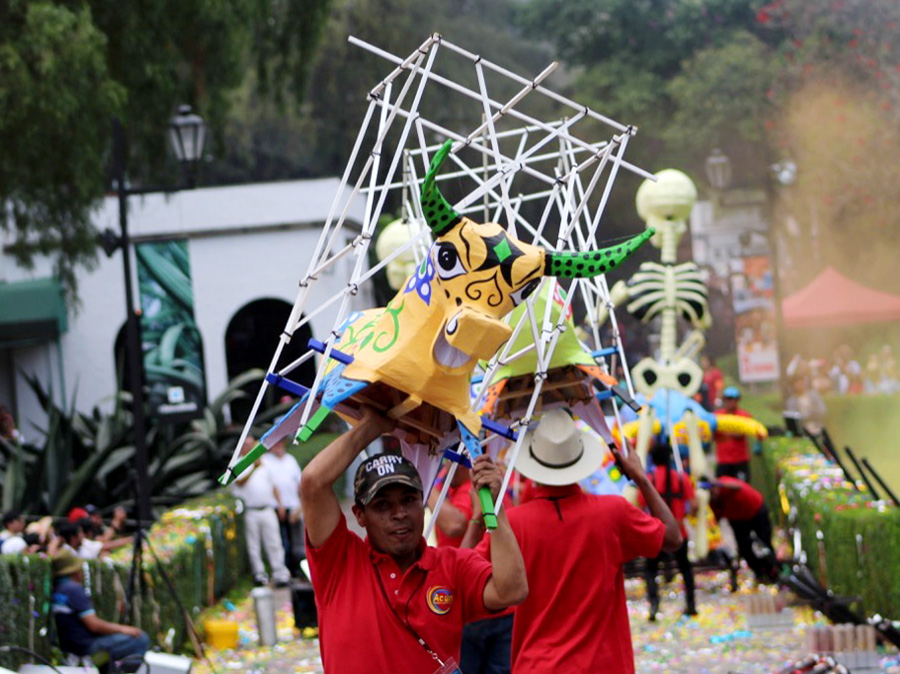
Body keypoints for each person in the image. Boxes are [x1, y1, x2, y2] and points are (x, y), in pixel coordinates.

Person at [300, 406, 528, 674]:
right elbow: (313, 482)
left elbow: (512, 591)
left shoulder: (453, 565)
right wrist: (372, 425)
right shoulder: (339, 562)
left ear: (423, 504)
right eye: (383, 505)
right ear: (360, 515)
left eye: (409, 500)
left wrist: (496, 509)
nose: (399, 514)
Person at [474, 409, 682, 674]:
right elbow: (672, 538)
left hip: (537, 666)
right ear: (581, 458)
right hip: (605, 665)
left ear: (533, 464)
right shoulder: (613, 513)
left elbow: (469, 575)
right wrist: (641, 478)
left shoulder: (513, 524)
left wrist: (478, 515)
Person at [431, 465, 515, 674]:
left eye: (448, 460)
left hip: (474, 604)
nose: (444, 465)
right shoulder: (463, 486)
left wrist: (427, 486)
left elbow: (454, 525)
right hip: (498, 607)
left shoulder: (474, 491)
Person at [50, 549, 150, 661]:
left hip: (69, 646)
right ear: (75, 571)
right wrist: (124, 629)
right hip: (86, 647)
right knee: (141, 638)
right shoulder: (73, 589)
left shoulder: (58, 588)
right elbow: (94, 626)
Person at [640, 442, 697, 621]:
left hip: (655, 533)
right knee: (685, 568)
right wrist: (683, 516)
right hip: (679, 532)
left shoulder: (649, 479)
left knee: (650, 570)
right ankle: (691, 605)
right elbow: (694, 505)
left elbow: (642, 505)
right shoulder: (681, 478)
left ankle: (654, 605)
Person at [231, 436, 291, 587]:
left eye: (252, 444)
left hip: (267, 507)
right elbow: (239, 483)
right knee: (254, 545)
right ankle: (259, 574)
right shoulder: (238, 463)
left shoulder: (265, 461)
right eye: (247, 445)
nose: (250, 447)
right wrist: (254, 467)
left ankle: (280, 574)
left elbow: (274, 484)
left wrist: (280, 504)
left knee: (274, 542)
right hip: (251, 510)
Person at [707, 476, 778, 583]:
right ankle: (759, 573)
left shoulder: (724, 483)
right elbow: (715, 520)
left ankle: (773, 571)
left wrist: (718, 484)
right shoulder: (712, 502)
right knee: (744, 547)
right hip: (737, 519)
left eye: (714, 490)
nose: (714, 493)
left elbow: (738, 486)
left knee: (765, 543)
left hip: (756, 510)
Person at [260, 438, 305, 576]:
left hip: (293, 505)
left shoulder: (290, 459)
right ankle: (285, 570)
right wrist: (279, 505)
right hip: (276, 506)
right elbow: (271, 486)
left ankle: (299, 570)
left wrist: (300, 506)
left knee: (297, 541)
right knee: (280, 541)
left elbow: (299, 483)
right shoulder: (265, 461)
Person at [713, 386, 757, 482]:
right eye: (727, 399)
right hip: (723, 461)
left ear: (737, 400)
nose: (730, 402)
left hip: (740, 461)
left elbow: (741, 434)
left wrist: (724, 432)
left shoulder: (744, 415)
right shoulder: (717, 415)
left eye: (732, 399)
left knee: (743, 489)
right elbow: (713, 434)